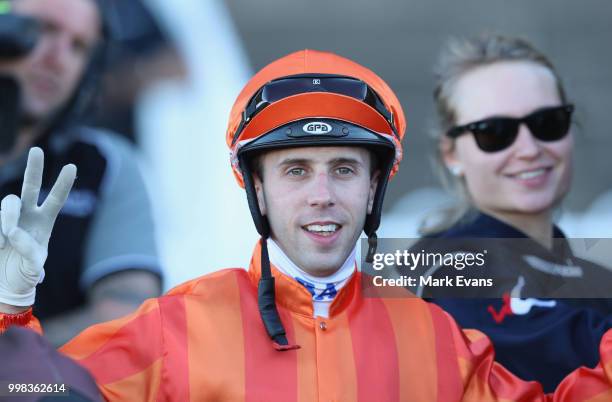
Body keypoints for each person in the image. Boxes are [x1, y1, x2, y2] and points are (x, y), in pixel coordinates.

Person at [1, 49, 612, 401]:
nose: (322, 196)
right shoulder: (172, 328)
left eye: (344, 169)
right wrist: (9, 314)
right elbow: (33, 395)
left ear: (375, 186)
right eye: (296, 170)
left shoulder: (437, 337)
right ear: (257, 187)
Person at [414, 33, 612, 391]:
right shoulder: (445, 267)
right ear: (452, 153)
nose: (529, 148)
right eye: (494, 132)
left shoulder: (594, 278)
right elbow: (555, 355)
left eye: (547, 123)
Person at [0, 0, 162, 345]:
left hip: (43, 391)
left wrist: (13, 353)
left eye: (78, 47)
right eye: (42, 31)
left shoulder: (104, 164)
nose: (57, 59)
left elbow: (128, 316)